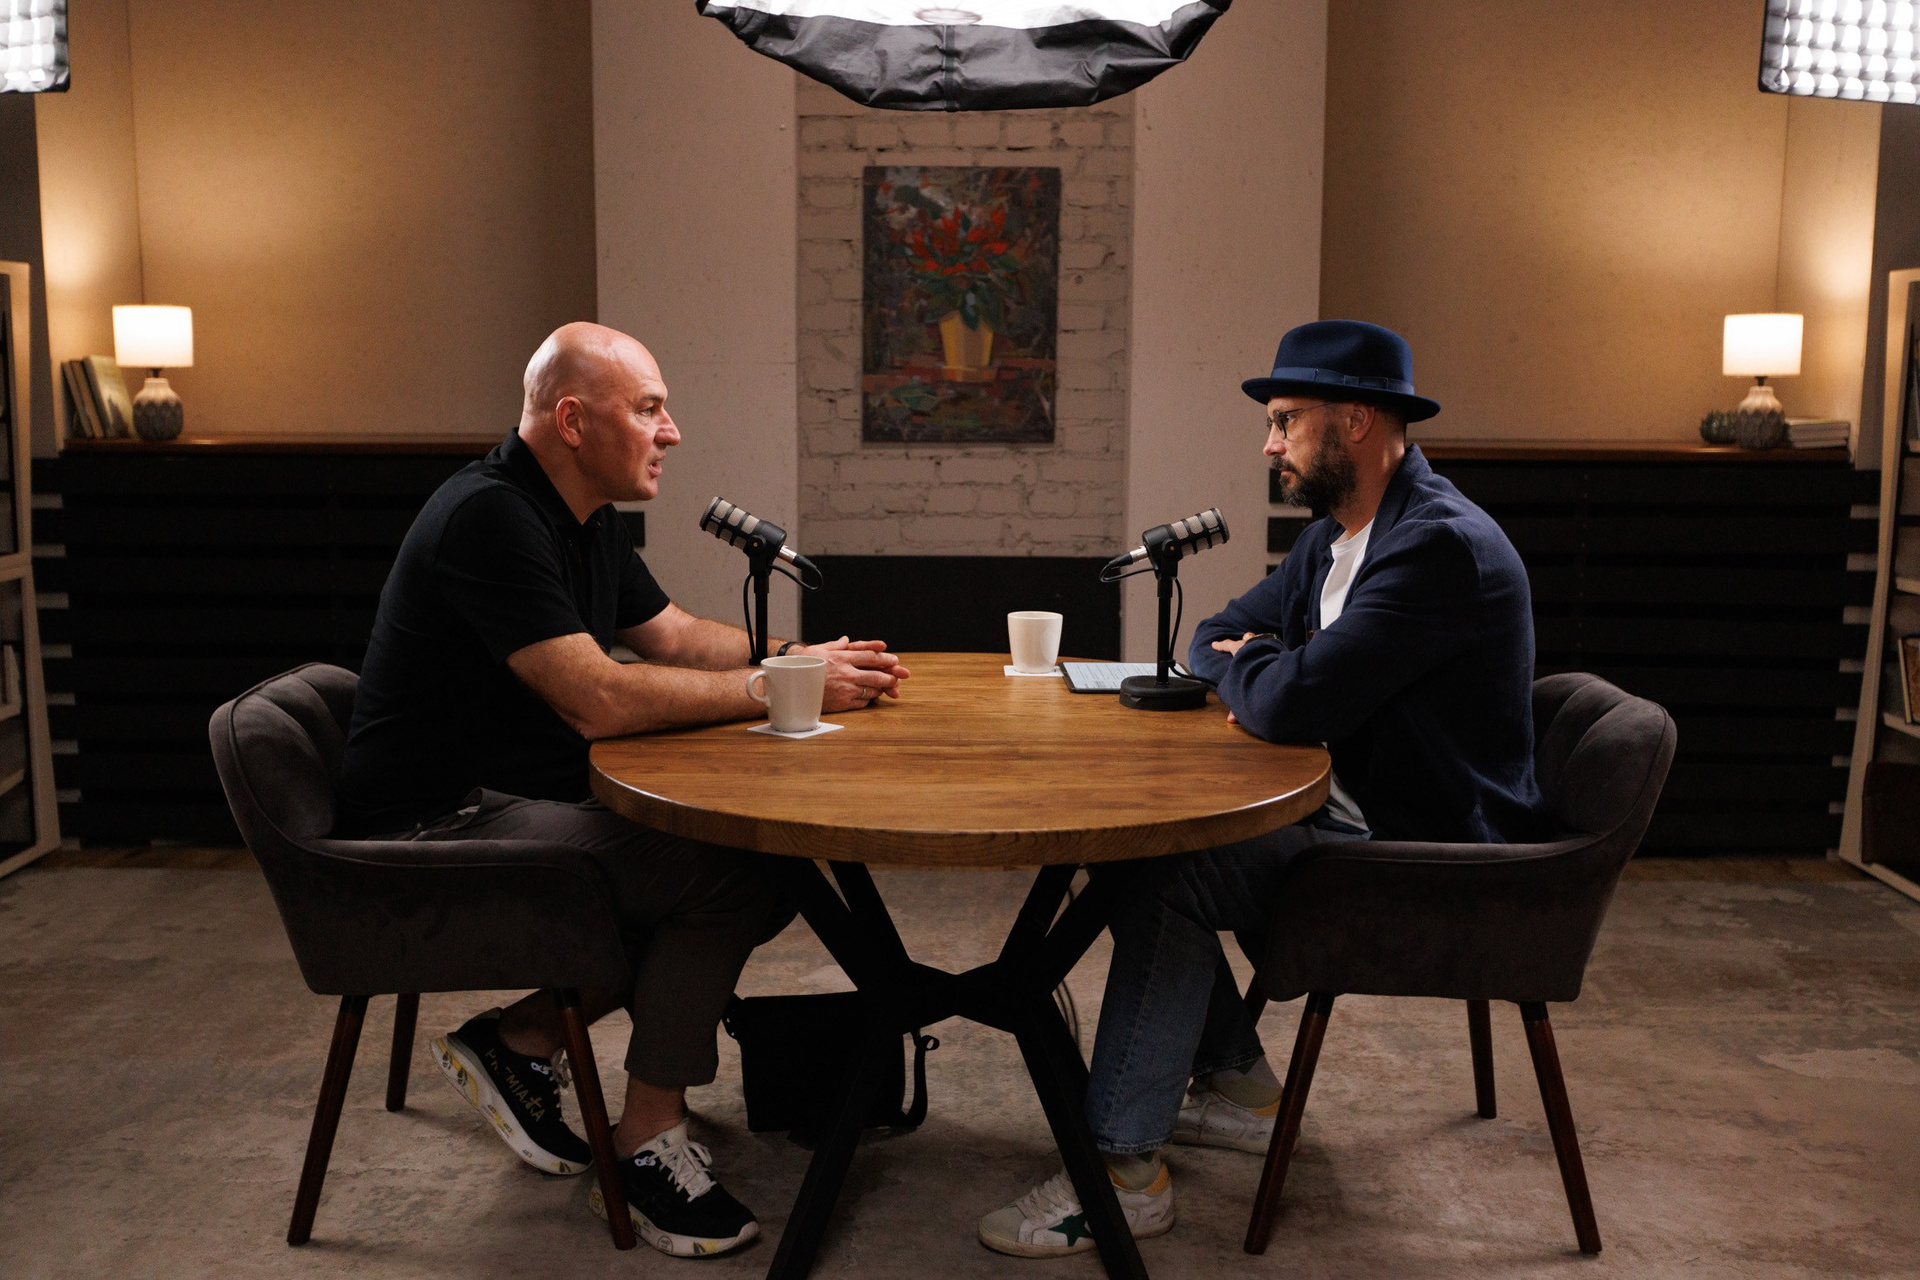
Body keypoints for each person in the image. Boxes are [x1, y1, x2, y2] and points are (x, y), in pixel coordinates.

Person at [336, 321, 909, 1258]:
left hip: (502, 796)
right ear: (572, 421)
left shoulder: (583, 516)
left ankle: (524, 1039)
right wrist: (772, 690)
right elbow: (596, 700)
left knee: (754, 868)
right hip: (430, 827)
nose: (671, 431)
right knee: (735, 876)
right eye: (648, 409)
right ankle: (645, 1139)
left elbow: (673, 635)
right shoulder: (491, 517)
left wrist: (797, 657)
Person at [978, 319, 1546, 1256]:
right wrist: (1265, 667)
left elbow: (1286, 702)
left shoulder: (1436, 548)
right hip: (1360, 805)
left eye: (1286, 421)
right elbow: (1213, 635)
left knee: (1164, 873)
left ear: (1355, 421)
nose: (1270, 445)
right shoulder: (1336, 540)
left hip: (1430, 849)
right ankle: (1239, 1087)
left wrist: (1268, 672)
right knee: (1135, 852)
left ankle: (1120, 1177)